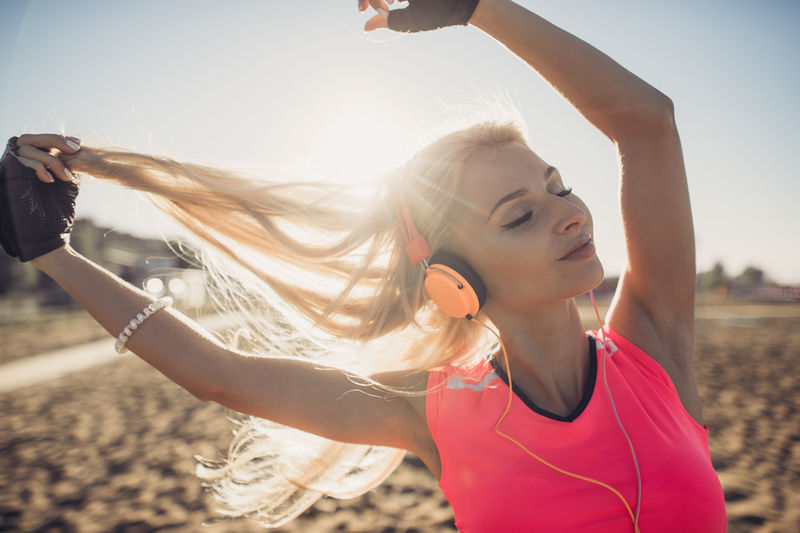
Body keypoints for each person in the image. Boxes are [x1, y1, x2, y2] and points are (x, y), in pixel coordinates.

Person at [0, 0, 726, 531]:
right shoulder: (434, 411)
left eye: (558, 185)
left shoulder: (655, 345)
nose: (570, 212)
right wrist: (51, 254)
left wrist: (481, 8)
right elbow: (219, 372)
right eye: (520, 215)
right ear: (451, 280)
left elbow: (646, 122)